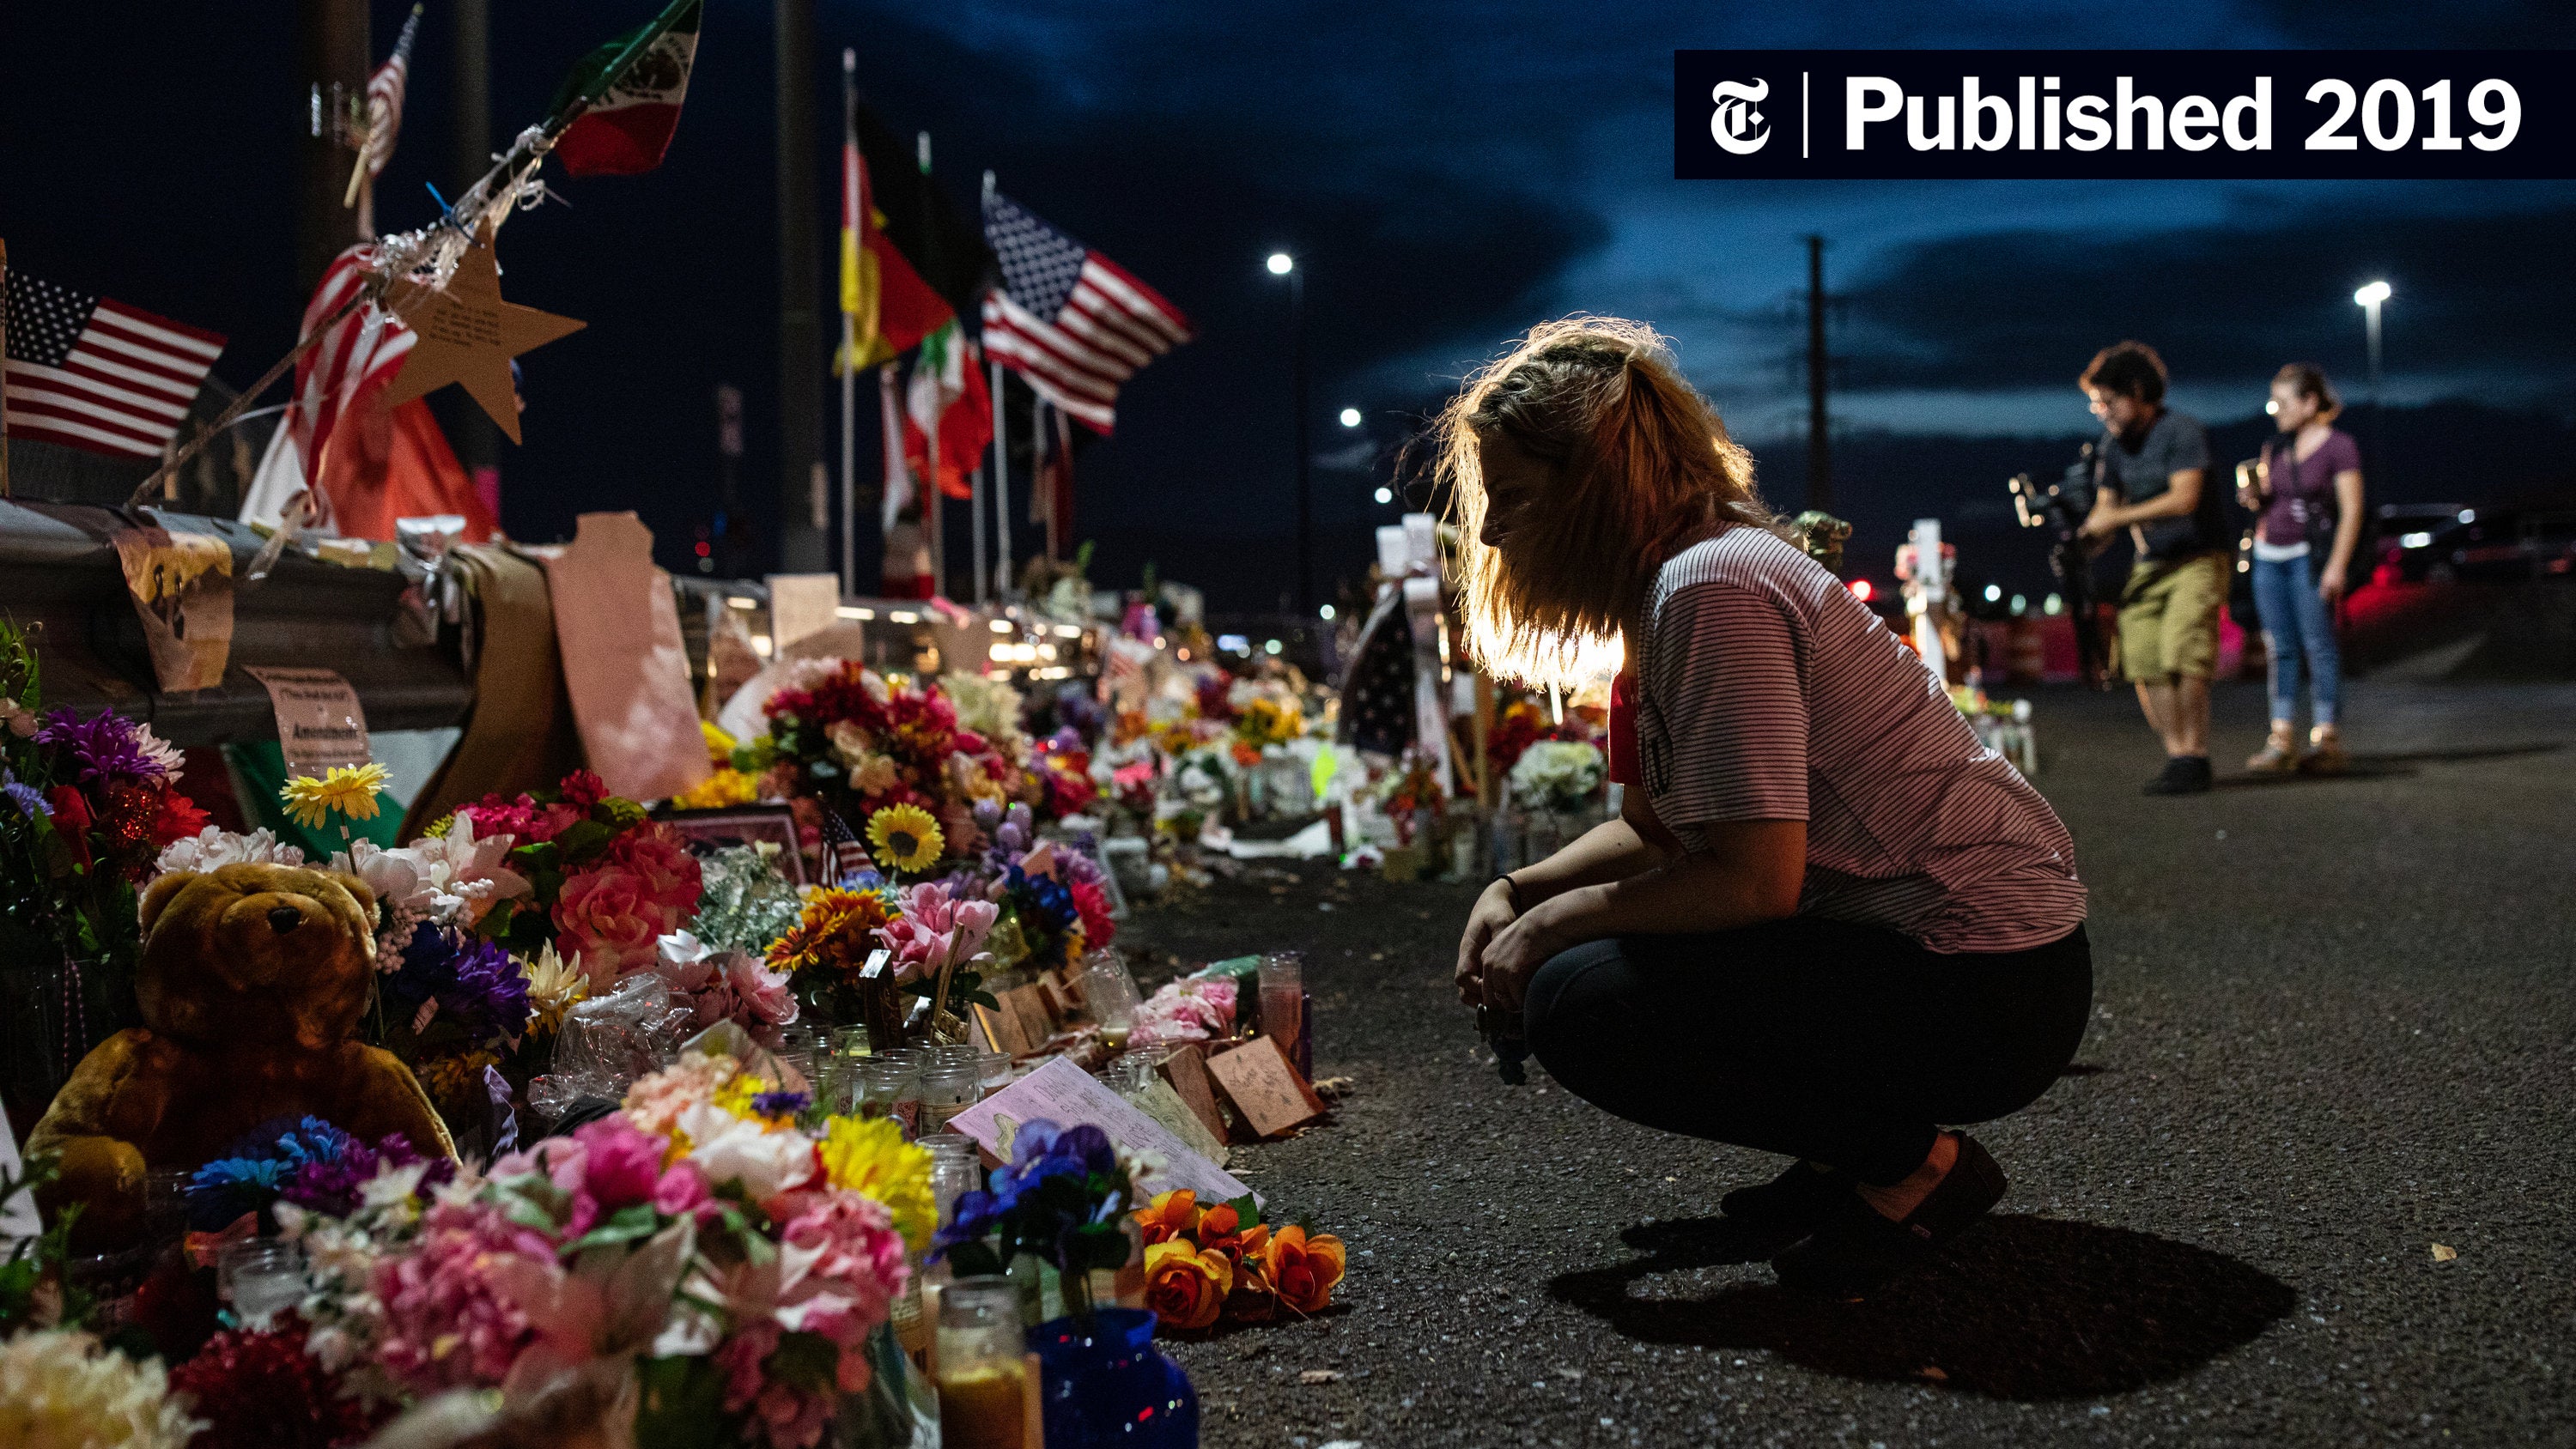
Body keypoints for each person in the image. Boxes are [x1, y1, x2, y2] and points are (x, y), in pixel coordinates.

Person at [1447, 318, 2092, 1297]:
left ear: (1594, 488)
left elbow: (1754, 879)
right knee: (1592, 959)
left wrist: (1544, 927)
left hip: (1993, 986)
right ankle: (1848, 1154)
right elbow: (1660, 829)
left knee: (1578, 1002)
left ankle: (1910, 1165)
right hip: (1973, 961)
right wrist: (1517, 887)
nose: (1491, 531)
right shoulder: (1689, 575)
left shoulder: (1712, 589)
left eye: (1514, 496)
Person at [2075, 342, 2227, 795]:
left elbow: (2185, 499)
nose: (2101, 412)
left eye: (2108, 401)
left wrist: (2113, 520)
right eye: (2095, 403)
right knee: (2142, 657)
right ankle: (2177, 754)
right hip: (2151, 562)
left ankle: (2194, 754)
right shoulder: (2112, 447)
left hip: (2197, 557)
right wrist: (2081, 545)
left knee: (2182, 650)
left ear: (2138, 392)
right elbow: (2105, 514)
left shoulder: (2181, 432)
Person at [2239, 364, 2363, 774]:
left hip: (2308, 559)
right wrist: (2253, 495)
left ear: (2309, 402)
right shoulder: (2276, 448)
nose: (2275, 410)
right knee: (2281, 647)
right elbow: (2269, 501)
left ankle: (2326, 739)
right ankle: (2281, 739)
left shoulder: (2339, 446)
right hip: (2268, 557)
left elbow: (2352, 511)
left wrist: (2337, 565)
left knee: (2319, 644)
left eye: (2283, 402)